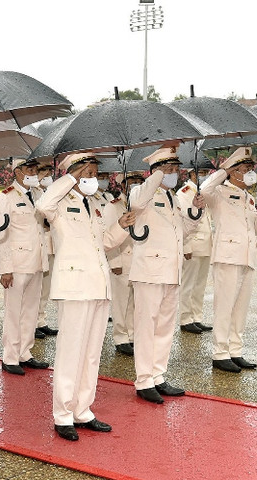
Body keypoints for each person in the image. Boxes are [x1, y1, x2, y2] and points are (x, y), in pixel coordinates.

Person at [36, 151, 135, 441]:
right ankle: (63, 414)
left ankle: (83, 409)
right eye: (88, 173)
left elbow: (104, 242)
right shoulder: (59, 203)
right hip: (74, 286)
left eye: (93, 173)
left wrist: (122, 226)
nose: (92, 178)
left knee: (91, 353)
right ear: (74, 173)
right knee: (71, 353)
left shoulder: (93, 204)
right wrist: (71, 176)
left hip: (97, 285)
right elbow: (42, 204)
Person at [129, 145, 204, 403]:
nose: (174, 174)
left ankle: (158, 375)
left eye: (175, 169)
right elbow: (138, 203)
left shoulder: (172, 197)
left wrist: (195, 211)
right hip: (149, 271)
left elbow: (182, 231)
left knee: (164, 327)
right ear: (155, 172)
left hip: (171, 271)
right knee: (146, 326)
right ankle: (143, 380)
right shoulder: (140, 191)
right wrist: (158, 175)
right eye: (169, 169)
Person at [199, 147, 257, 373]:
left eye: (251, 168)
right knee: (224, 306)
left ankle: (235, 350)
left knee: (240, 307)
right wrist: (224, 170)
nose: (250, 173)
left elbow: (256, 228)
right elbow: (204, 188)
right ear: (233, 172)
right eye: (244, 169)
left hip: (247, 257)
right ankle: (220, 353)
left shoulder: (249, 198)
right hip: (227, 257)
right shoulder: (219, 192)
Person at [0, 157, 50, 375]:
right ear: (17, 172)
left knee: (30, 311)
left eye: (35, 168)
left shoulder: (38, 195)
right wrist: (5, 268)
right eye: (29, 168)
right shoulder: (5, 196)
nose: (34, 172)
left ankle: (25, 352)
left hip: (35, 261)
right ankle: (10, 357)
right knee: (14, 312)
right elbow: (1, 234)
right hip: (16, 264)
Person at [107, 171, 145, 356]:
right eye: (132, 181)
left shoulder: (141, 206)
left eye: (139, 181)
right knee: (121, 302)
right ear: (123, 186)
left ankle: (131, 335)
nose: (136, 184)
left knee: (134, 302)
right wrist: (114, 261)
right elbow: (109, 234)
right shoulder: (113, 206)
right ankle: (120, 337)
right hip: (121, 259)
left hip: (138, 261)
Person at [177, 169, 213, 335]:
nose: (205, 175)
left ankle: (196, 317)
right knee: (188, 284)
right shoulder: (184, 193)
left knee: (200, 285)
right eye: (201, 172)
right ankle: (185, 319)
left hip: (205, 244)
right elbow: (184, 220)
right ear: (192, 174)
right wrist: (186, 246)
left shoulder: (204, 192)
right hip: (192, 245)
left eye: (207, 172)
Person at [35, 160, 59, 339]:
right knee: (36, 287)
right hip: (38, 245)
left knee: (46, 287)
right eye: (44, 171)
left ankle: (41, 320)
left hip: (50, 244)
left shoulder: (50, 193)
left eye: (49, 172)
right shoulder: (34, 192)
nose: (47, 176)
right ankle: (33, 322)